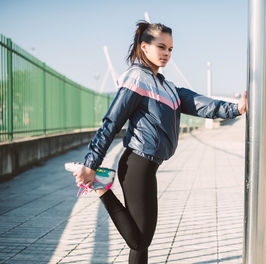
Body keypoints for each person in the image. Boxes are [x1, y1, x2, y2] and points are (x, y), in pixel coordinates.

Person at [72, 21, 248, 264]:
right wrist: (91, 163)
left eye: (171, 49)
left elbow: (202, 104)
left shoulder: (169, 88)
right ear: (144, 47)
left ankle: (102, 185)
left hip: (149, 167)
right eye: (161, 47)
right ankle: (101, 186)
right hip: (136, 164)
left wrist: (237, 108)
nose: (167, 53)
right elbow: (111, 122)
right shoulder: (136, 78)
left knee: (143, 242)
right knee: (139, 241)